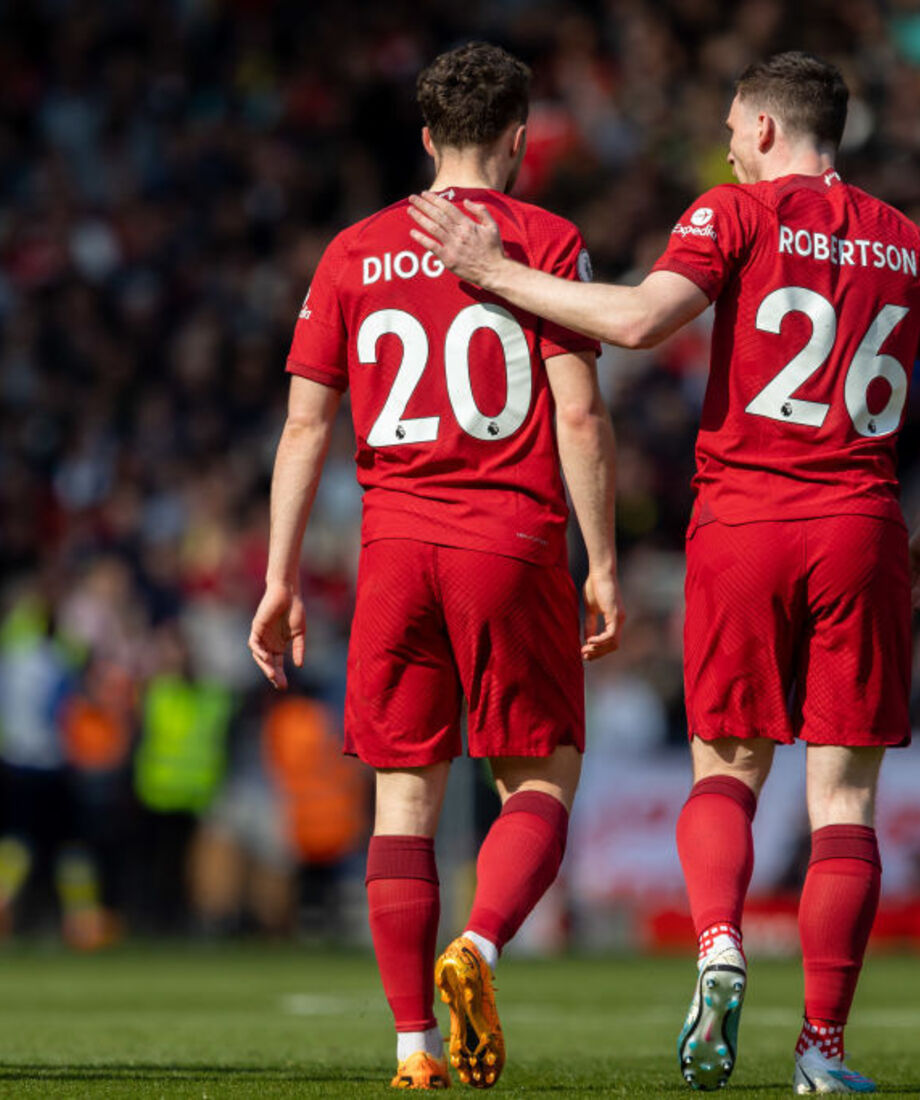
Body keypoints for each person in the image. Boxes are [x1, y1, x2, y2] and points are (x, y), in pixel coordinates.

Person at [408, 50, 920, 1095]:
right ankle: (821, 1050)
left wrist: (492, 272)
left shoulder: (735, 212)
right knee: (844, 800)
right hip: (861, 525)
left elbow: (638, 323)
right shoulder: (916, 247)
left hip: (744, 521)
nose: (725, 148)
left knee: (724, 769)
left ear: (764, 128)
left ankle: (720, 941)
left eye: (730, 129)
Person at [248, 42, 622, 1092]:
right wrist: (601, 560)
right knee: (540, 774)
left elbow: (303, 427)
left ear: (425, 137)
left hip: (392, 551)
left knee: (402, 805)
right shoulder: (545, 240)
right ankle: (482, 943)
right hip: (508, 541)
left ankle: (412, 1048)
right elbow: (579, 416)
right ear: (518, 137)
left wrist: (278, 578)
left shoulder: (352, 250)